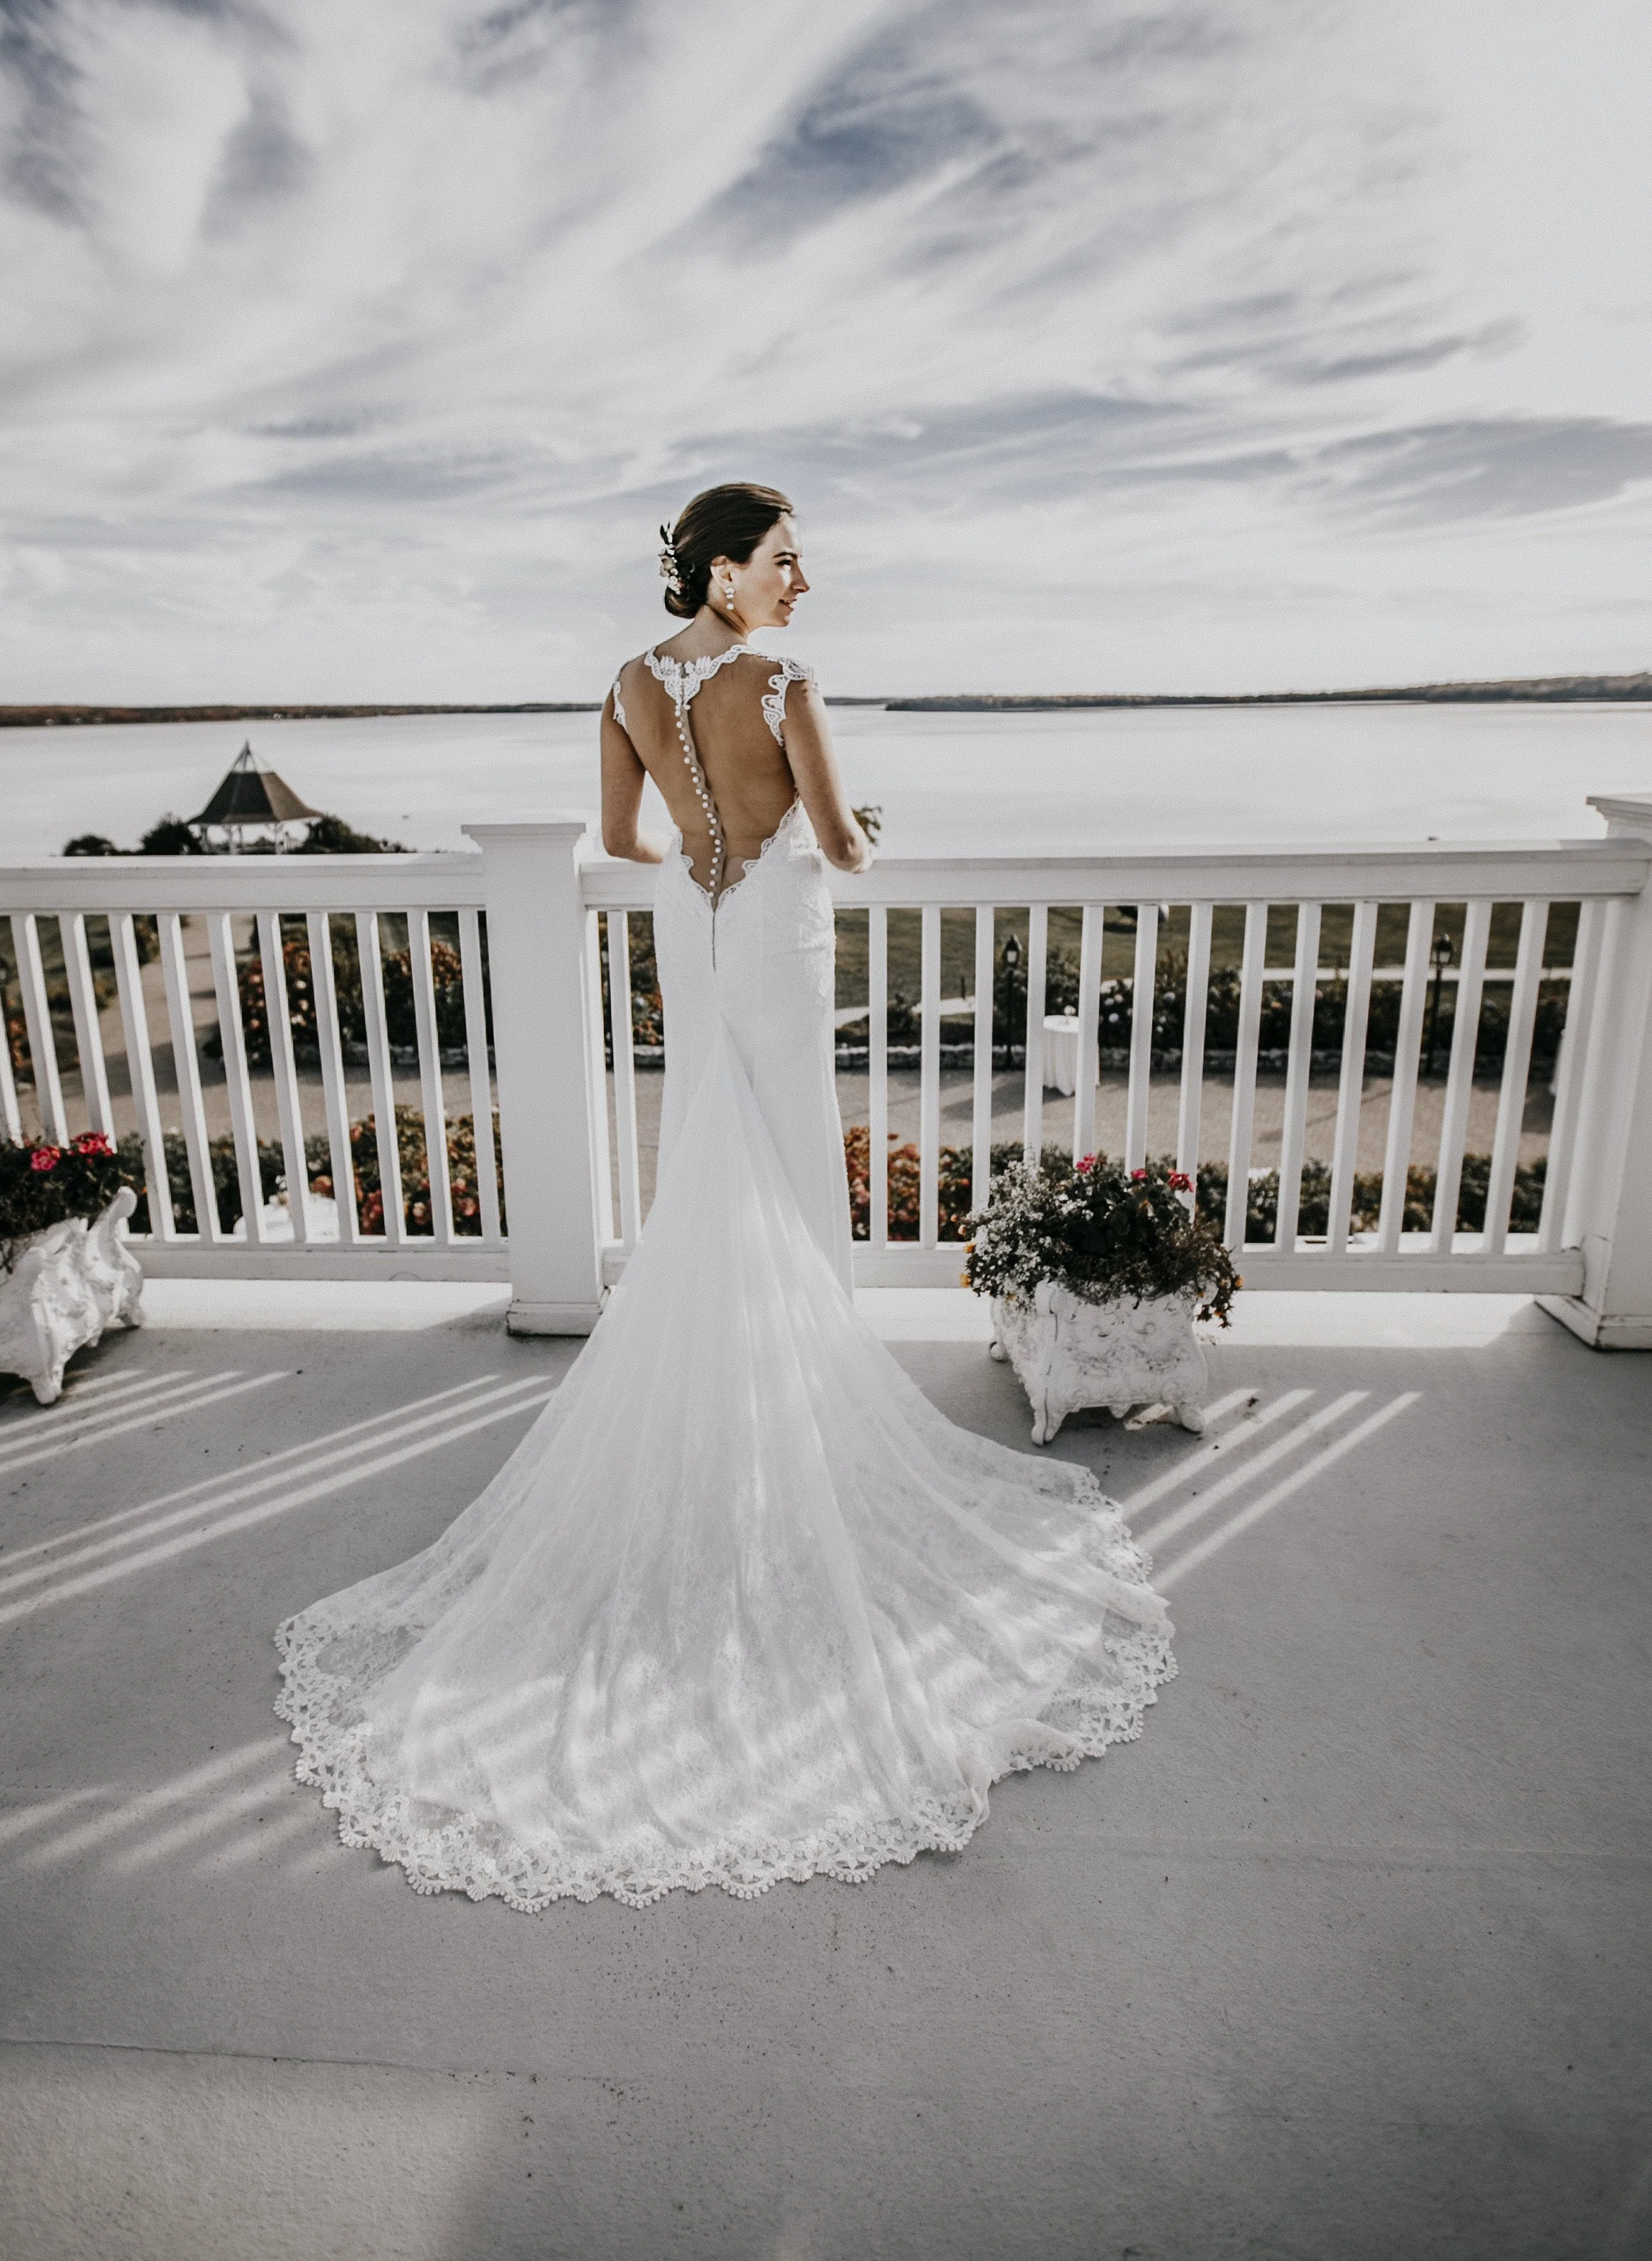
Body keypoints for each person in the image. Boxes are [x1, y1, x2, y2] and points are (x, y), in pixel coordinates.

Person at [276, 483, 1173, 1910]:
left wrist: (710, 855)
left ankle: (719, 1411)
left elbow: (622, 838)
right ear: (720, 571)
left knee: (708, 1166)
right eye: (783, 561)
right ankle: (799, 1430)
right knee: (792, 1176)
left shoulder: (627, 685)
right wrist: (845, 831)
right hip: (777, 941)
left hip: (695, 945)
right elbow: (843, 843)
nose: (799, 583)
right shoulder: (785, 684)